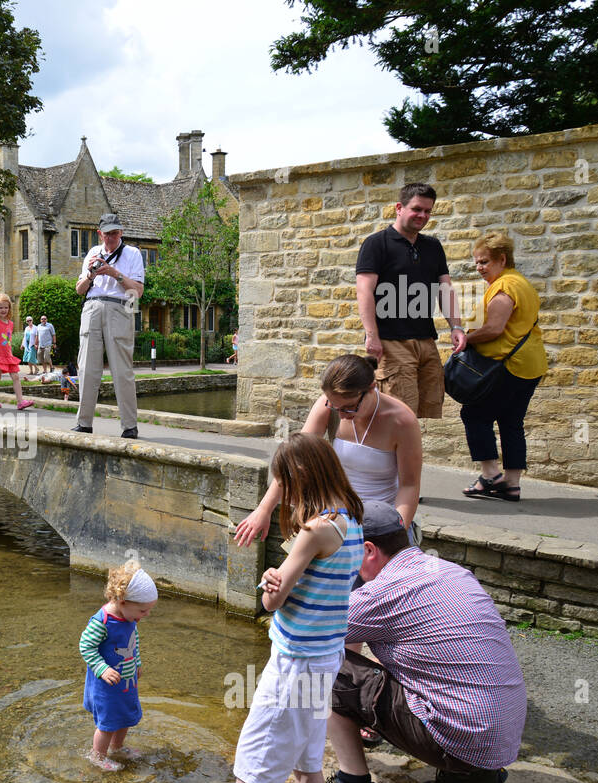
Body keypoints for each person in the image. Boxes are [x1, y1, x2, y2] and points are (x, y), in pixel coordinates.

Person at [200, 433, 364, 783]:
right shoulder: (351, 519)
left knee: (257, 754)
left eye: (286, 485)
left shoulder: (313, 531)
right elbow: (313, 585)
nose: (285, 496)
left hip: (295, 662)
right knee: (308, 760)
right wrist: (281, 579)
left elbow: (272, 601)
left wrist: (271, 580)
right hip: (326, 657)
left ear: (302, 477)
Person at [323, 501, 525, 783]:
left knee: (323, 669)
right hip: (500, 737)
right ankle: (469, 775)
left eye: (344, 552)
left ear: (369, 550)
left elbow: (310, 631)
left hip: (463, 736)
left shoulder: (382, 593)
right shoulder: (450, 570)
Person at [234, 354, 422, 545]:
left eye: (348, 408)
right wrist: (263, 509)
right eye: (335, 407)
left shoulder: (402, 421)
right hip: (335, 515)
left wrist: (392, 535)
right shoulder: (326, 406)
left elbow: (409, 485)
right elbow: (294, 461)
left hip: (380, 521)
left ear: (372, 388)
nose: (340, 415)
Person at [356, 184, 467, 418]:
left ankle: (412, 456)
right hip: (391, 342)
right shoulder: (377, 243)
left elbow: (445, 288)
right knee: (398, 414)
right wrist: (372, 335)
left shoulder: (433, 246)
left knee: (428, 412)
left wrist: (456, 326)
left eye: (428, 211)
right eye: (417, 209)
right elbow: (364, 291)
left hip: (426, 342)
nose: (423, 216)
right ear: (399, 207)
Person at [457, 233, 546, 503]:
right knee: (511, 420)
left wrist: (465, 339)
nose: (479, 268)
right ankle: (511, 484)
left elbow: (494, 328)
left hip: (509, 364)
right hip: (530, 365)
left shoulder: (505, 286)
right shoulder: (522, 284)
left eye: (484, 262)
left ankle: (489, 476)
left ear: (502, 259)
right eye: (476, 263)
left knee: (473, 414)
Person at [80, 560, 157, 771]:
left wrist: (137, 661)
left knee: (125, 716)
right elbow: (86, 647)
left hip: (125, 680)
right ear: (123, 602)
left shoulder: (130, 618)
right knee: (107, 722)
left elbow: (134, 640)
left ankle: (118, 747)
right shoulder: (102, 621)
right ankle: (97, 755)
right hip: (106, 685)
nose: (146, 615)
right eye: (143, 611)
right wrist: (102, 668)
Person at [74, 212, 145, 438]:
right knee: (86, 368)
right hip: (92, 307)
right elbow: (79, 290)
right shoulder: (93, 253)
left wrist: (115, 273)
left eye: (115, 233)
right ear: (100, 234)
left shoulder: (132, 253)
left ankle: (129, 426)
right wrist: (91, 275)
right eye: (107, 234)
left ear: (121, 232)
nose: (111, 238)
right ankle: (84, 423)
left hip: (120, 306)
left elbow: (138, 292)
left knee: (122, 370)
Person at [0, 294, 35, 411]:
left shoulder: (11, 323)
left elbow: (7, 341)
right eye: (1, 308)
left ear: (9, 308)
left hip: (8, 356)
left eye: (6, 307)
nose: (3, 310)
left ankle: (20, 402)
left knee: (16, 377)